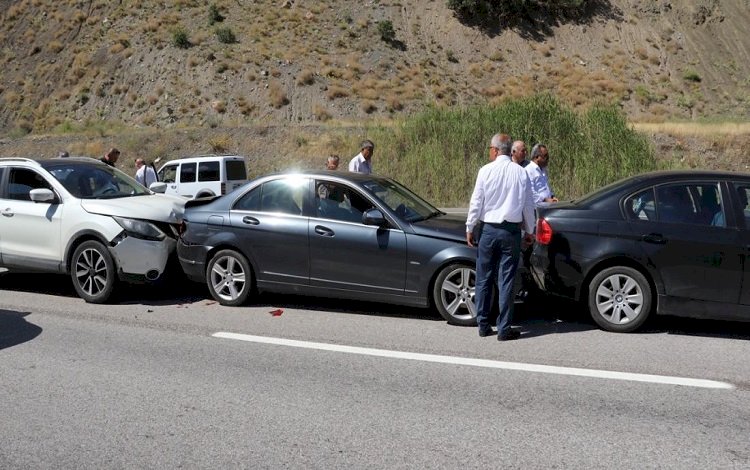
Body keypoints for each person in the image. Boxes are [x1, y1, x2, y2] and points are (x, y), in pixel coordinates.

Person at [466, 134, 535, 341]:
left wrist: (470, 226)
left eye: (490, 148)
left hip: (488, 230)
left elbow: (476, 202)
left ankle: (483, 324)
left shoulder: (485, 171)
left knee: (484, 277)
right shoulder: (521, 173)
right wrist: (529, 230)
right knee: (506, 280)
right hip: (510, 232)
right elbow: (528, 206)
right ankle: (504, 328)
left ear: (496, 150)